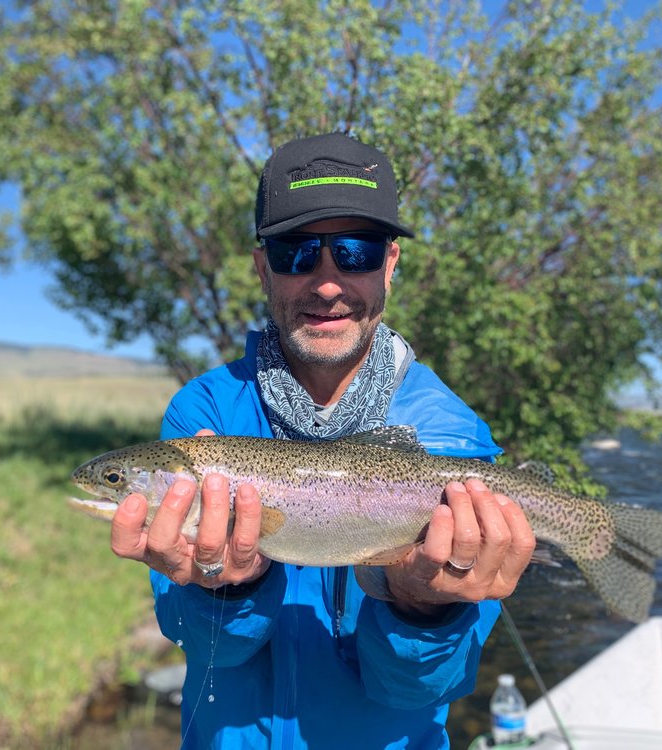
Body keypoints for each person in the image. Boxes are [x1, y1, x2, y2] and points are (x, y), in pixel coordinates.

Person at [110, 132, 535, 749]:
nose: (328, 282)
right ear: (263, 268)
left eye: (356, 251)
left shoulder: (453, 436)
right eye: (296, 252)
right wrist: (229, 586)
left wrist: (425, 609)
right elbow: (205, 651)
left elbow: (419, 691)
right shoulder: (204, 413)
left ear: (390, 264)